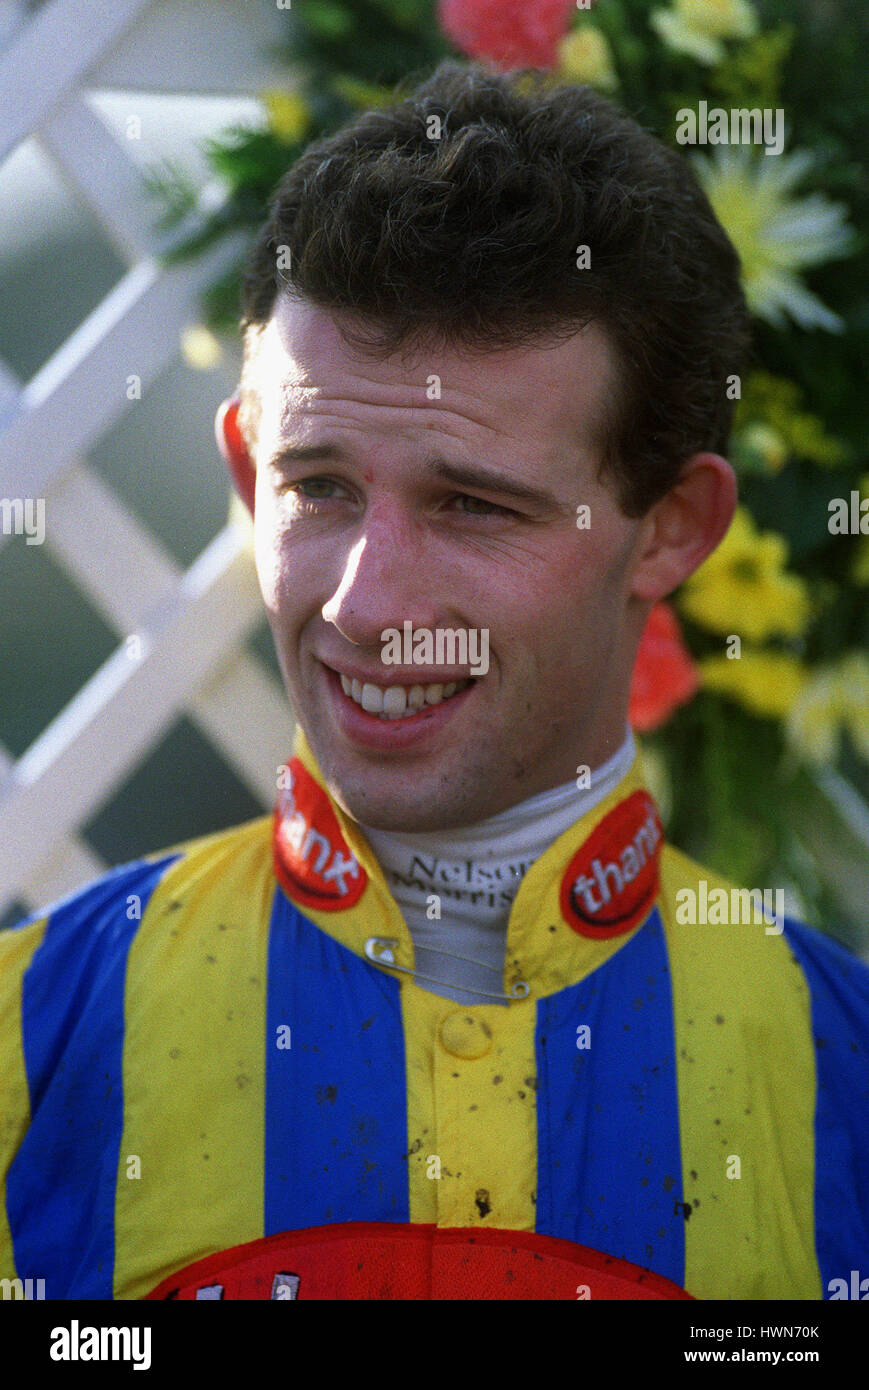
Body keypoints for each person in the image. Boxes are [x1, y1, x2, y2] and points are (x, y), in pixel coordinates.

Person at [1, 60, 866, 1303]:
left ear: (671, 526)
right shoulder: (25, 1042)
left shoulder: (844, 1079)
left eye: (471, 504)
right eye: (320, 487)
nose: (363, 603)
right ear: (249, 476)